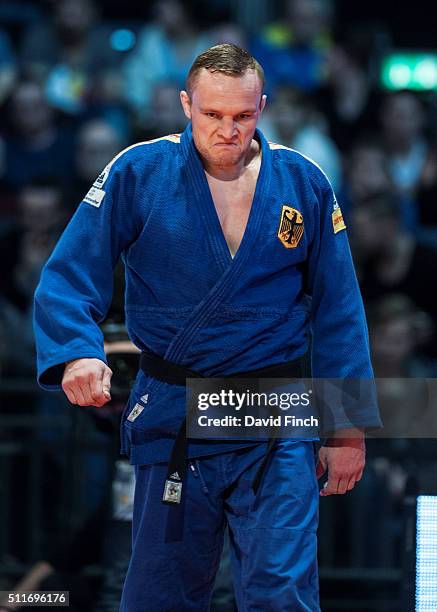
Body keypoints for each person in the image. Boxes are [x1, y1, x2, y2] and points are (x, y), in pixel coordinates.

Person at [34, 44, 380, 611]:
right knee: (161, 595)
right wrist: (77, 352)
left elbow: (341, 310)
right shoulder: (137, 171)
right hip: (176, 409)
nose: (228, 129)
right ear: (185, 105)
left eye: (243, 116)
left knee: (283, 593)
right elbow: (69, 275)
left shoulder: (303, 181)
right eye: (212, 114)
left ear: (262, 108)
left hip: (276, 413)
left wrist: (347, 429)